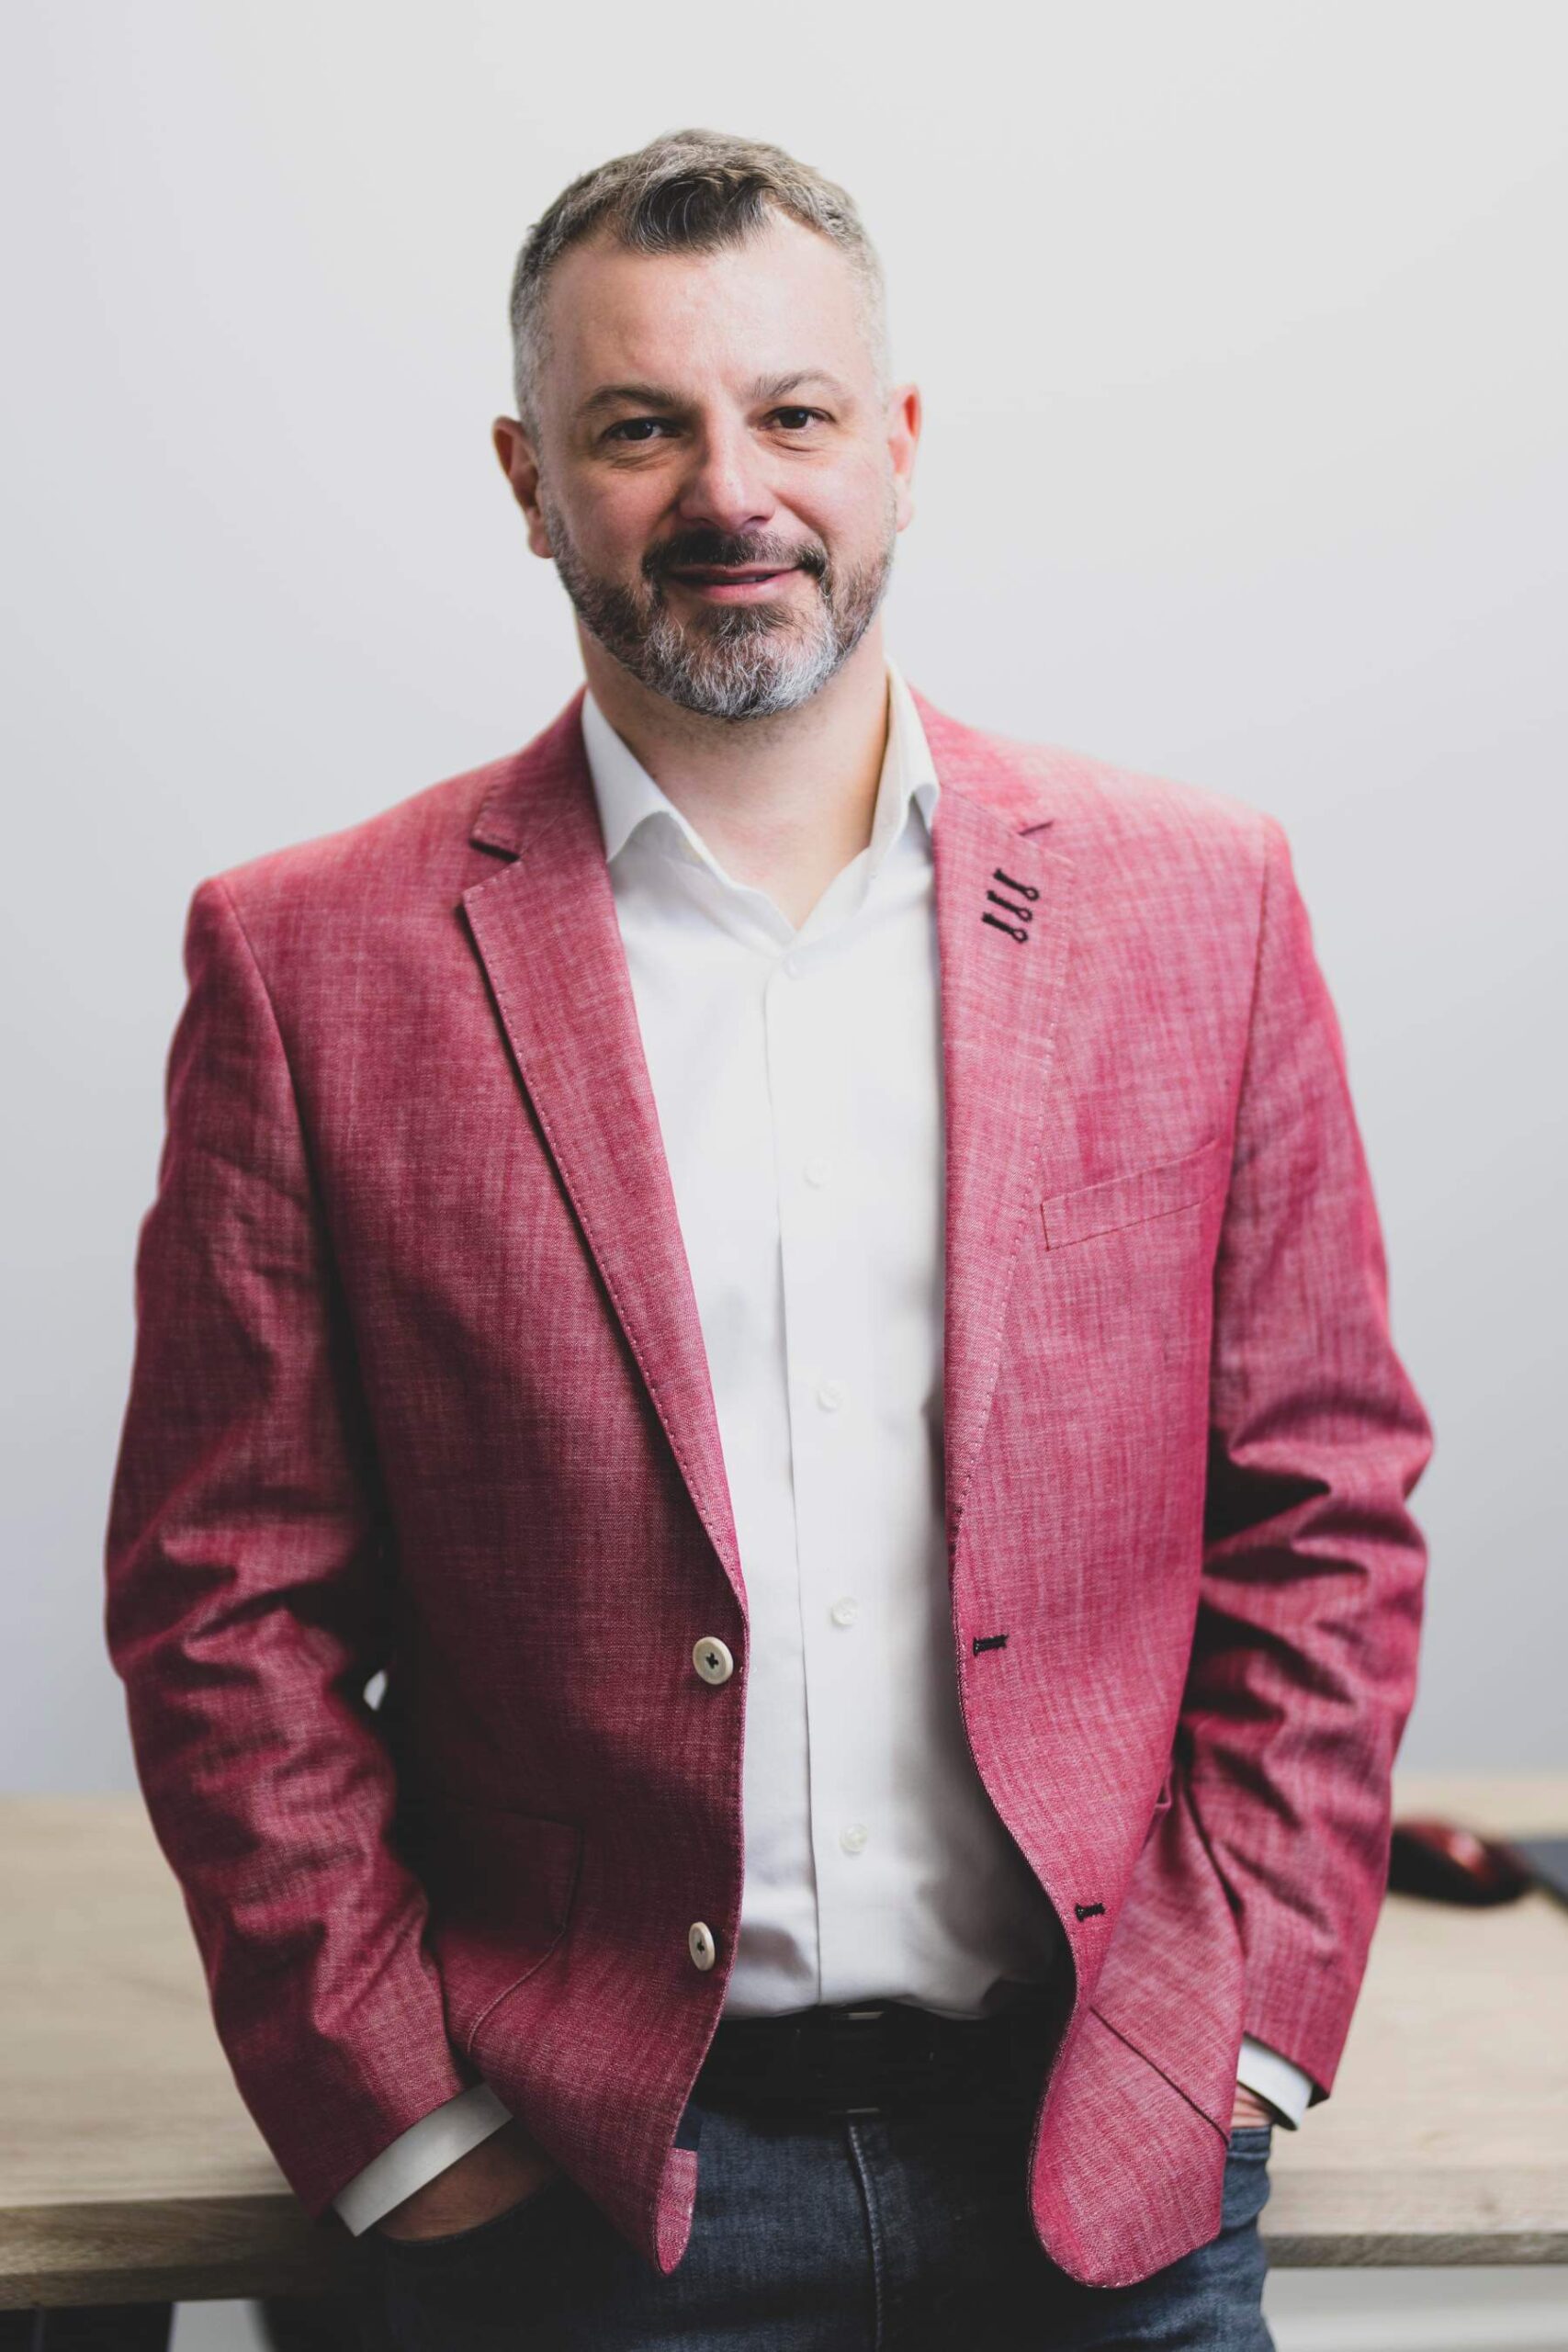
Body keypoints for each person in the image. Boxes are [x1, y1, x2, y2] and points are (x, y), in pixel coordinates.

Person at [104, 126, 1434, 2349]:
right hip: (570, 2206)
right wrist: (401, 2118)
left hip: (1102, 2158)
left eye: (792, 413)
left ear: (893, 444)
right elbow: (222, 1598)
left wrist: (1243, 2034)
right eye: (640, 427)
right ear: (530, 480)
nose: (731, 489)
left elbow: (1325, 1503)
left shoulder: (1196, 905)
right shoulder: (308, 961)